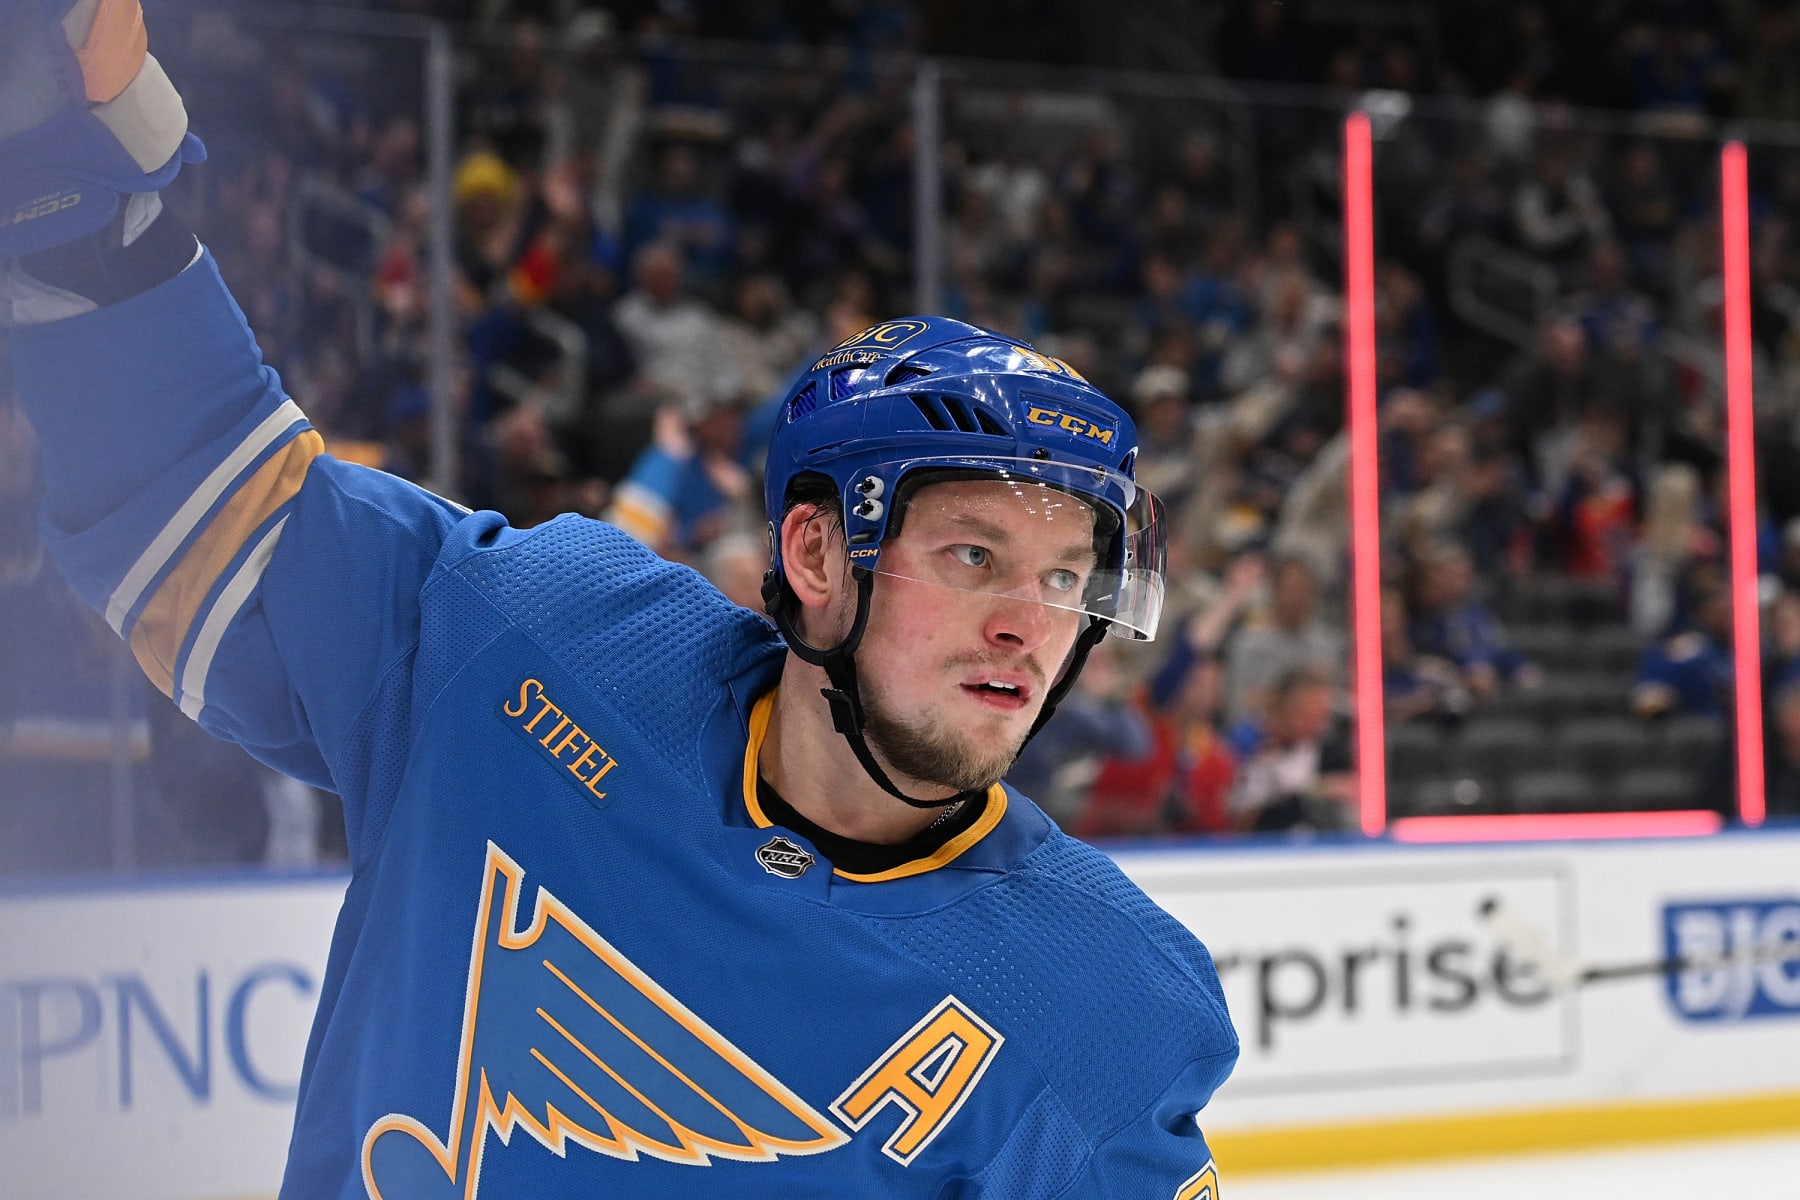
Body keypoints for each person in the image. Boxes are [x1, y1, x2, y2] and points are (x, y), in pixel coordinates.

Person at [0, 7, 1237, 1197]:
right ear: (818, 558)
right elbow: (204, 511)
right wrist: (83, 197)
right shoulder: (534, 641)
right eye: (974, 557)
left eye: (1067, 578)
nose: (1033, 621)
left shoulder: (1099, 1010)